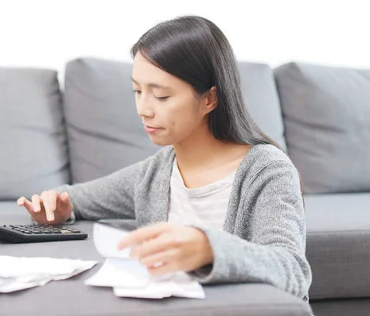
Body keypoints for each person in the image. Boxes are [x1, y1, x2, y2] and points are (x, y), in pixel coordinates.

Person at [17, 15, 312, 300]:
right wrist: (56, 208)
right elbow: (78, 199)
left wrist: (210, 248)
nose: (144, 109)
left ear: (209, 98)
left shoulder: (267, 170)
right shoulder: (156, 172)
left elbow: (292, 271)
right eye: (137, 90)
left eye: (160, 96)